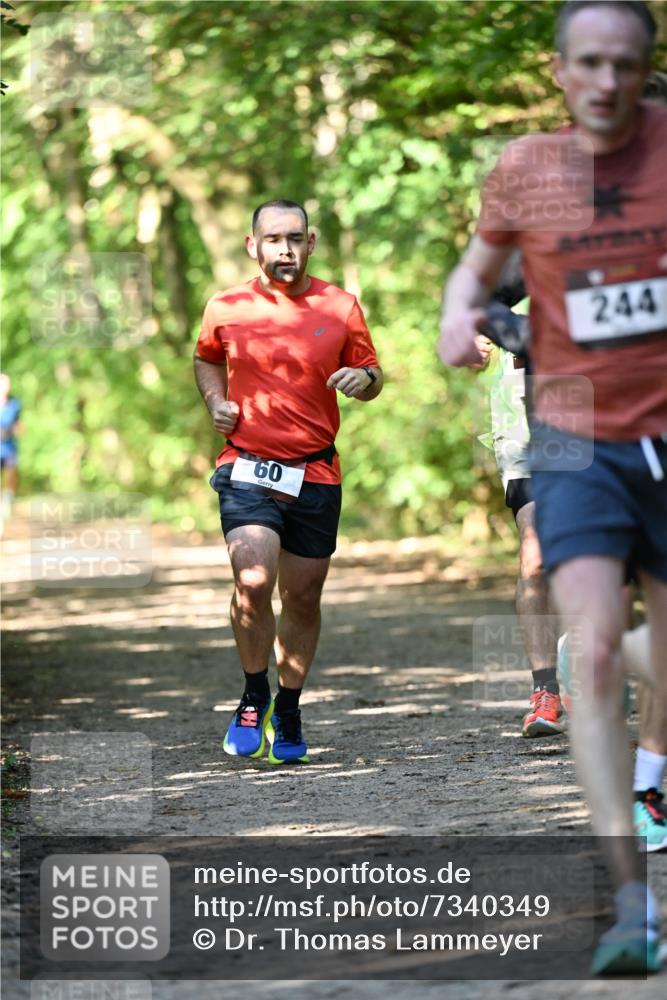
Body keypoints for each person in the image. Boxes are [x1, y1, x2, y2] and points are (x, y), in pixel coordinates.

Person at [439, 1, 667, 975]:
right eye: (589, 63)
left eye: (626, 63)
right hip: (571, 432)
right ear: (561, 69)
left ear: (644, 66)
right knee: (598, 657)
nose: (607, 81)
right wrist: (457, 318)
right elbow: (474, 272)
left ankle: (653, 769)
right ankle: (631, 900)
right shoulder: (525, 168)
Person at [194, 200, 382, 765]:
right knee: (253, 578)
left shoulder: (340, 305)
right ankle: (254, 695)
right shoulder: (225, 306)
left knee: (302, 596)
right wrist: (216, 401)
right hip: (246, 463)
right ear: (252, 245)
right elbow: (205, 360)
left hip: (316, 469)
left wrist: (362, 379)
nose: (285, 248)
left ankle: (290, 704)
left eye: (295, 238)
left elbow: (374, 373)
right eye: (273, 238)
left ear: (312, 242)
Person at [0, 373, 21, 522]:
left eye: (7, 384)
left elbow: (18, 425)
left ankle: (7, 503)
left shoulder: (15, 405)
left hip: (9, 447)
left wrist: (16, 430)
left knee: (11, 476)